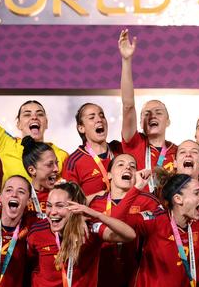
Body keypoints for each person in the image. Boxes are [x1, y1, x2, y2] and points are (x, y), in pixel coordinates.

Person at [0, 47, 68, 185]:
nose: (34, 117)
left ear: (46, 123)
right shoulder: (5, 144)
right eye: (27, 114)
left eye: (39, 114)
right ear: (19, 124)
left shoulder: (62, 156)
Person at [26, 181, 136, 286]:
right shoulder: (37, 230)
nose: (52, 212)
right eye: (49, 205)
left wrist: (97, 215)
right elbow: (31, 261)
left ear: (75, 207)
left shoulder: (90, 231)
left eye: (59, 206)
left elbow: (130, 235)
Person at [116, 169, 199, 287]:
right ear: (178, 199)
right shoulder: (155, 220)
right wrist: (137, 188)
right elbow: (116, 220)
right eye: (196, 193)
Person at [119, 30, 177, 191]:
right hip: (139, 211)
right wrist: (126, 60)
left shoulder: (178, 152)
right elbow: (128, 105)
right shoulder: (134, 143)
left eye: (159, 112)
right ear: (140, 122)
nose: (152, 115)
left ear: (168, 121)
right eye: (146, 113)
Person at [89, 155, 161, 287]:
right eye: (120, 164)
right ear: (108, 175)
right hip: (103, 277)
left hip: (139, 276)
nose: (128, 167)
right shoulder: (96, 204)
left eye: (133, 166)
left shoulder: (149, 201)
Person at [63, 102, 124, 198]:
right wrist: (104, 195)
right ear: (81, 128)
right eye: (92, 118)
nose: (99, 120)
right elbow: (70, 204)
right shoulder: (73, 162)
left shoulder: (119, 149)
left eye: (102, 116)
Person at [22, 135, 60, 217]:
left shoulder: (64, 193)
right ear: (32, 170)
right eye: (50, 164)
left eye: (57, 163)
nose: (57, 169)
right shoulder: (21, 197)